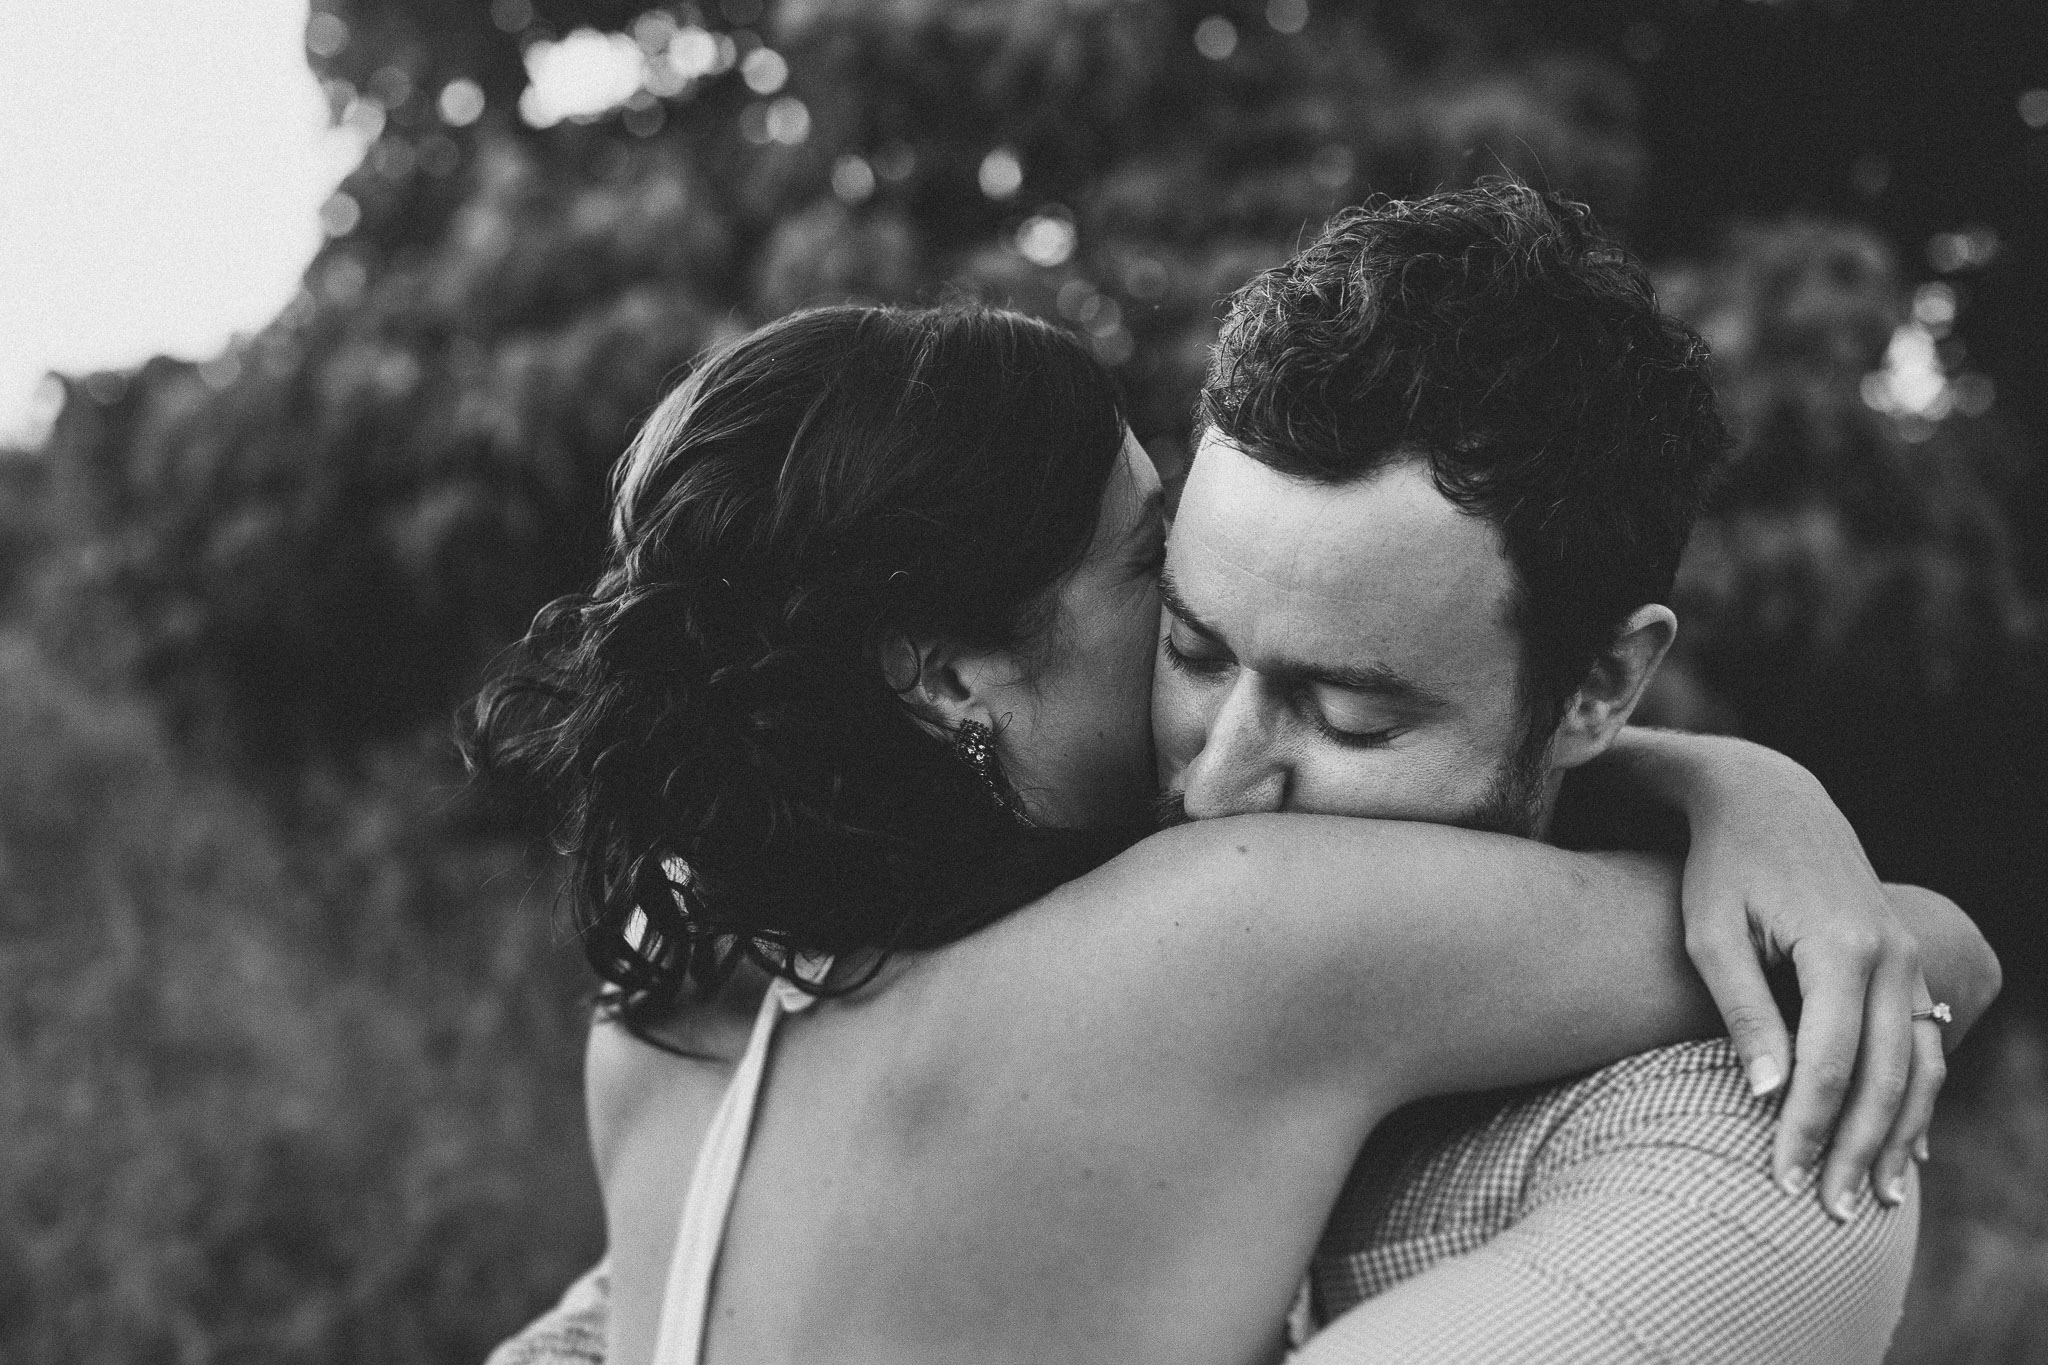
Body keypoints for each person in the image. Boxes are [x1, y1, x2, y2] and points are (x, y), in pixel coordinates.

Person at [469, 261, 1992, 1363]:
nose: (1222, 770)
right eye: (1172, 613)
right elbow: (1888, 958)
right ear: (944, 675)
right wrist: (1761, 789)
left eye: (1348, 712)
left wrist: (1700, 767)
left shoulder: (669, 1005)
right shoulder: (1232, 932)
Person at [1147, 182, 1995, 1361]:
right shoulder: (1040, 830)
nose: (1211, 786)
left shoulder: (1731, 1156)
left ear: (1596, 690)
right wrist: (1716, 781)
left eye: (1347, 717)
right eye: (1188, 652)